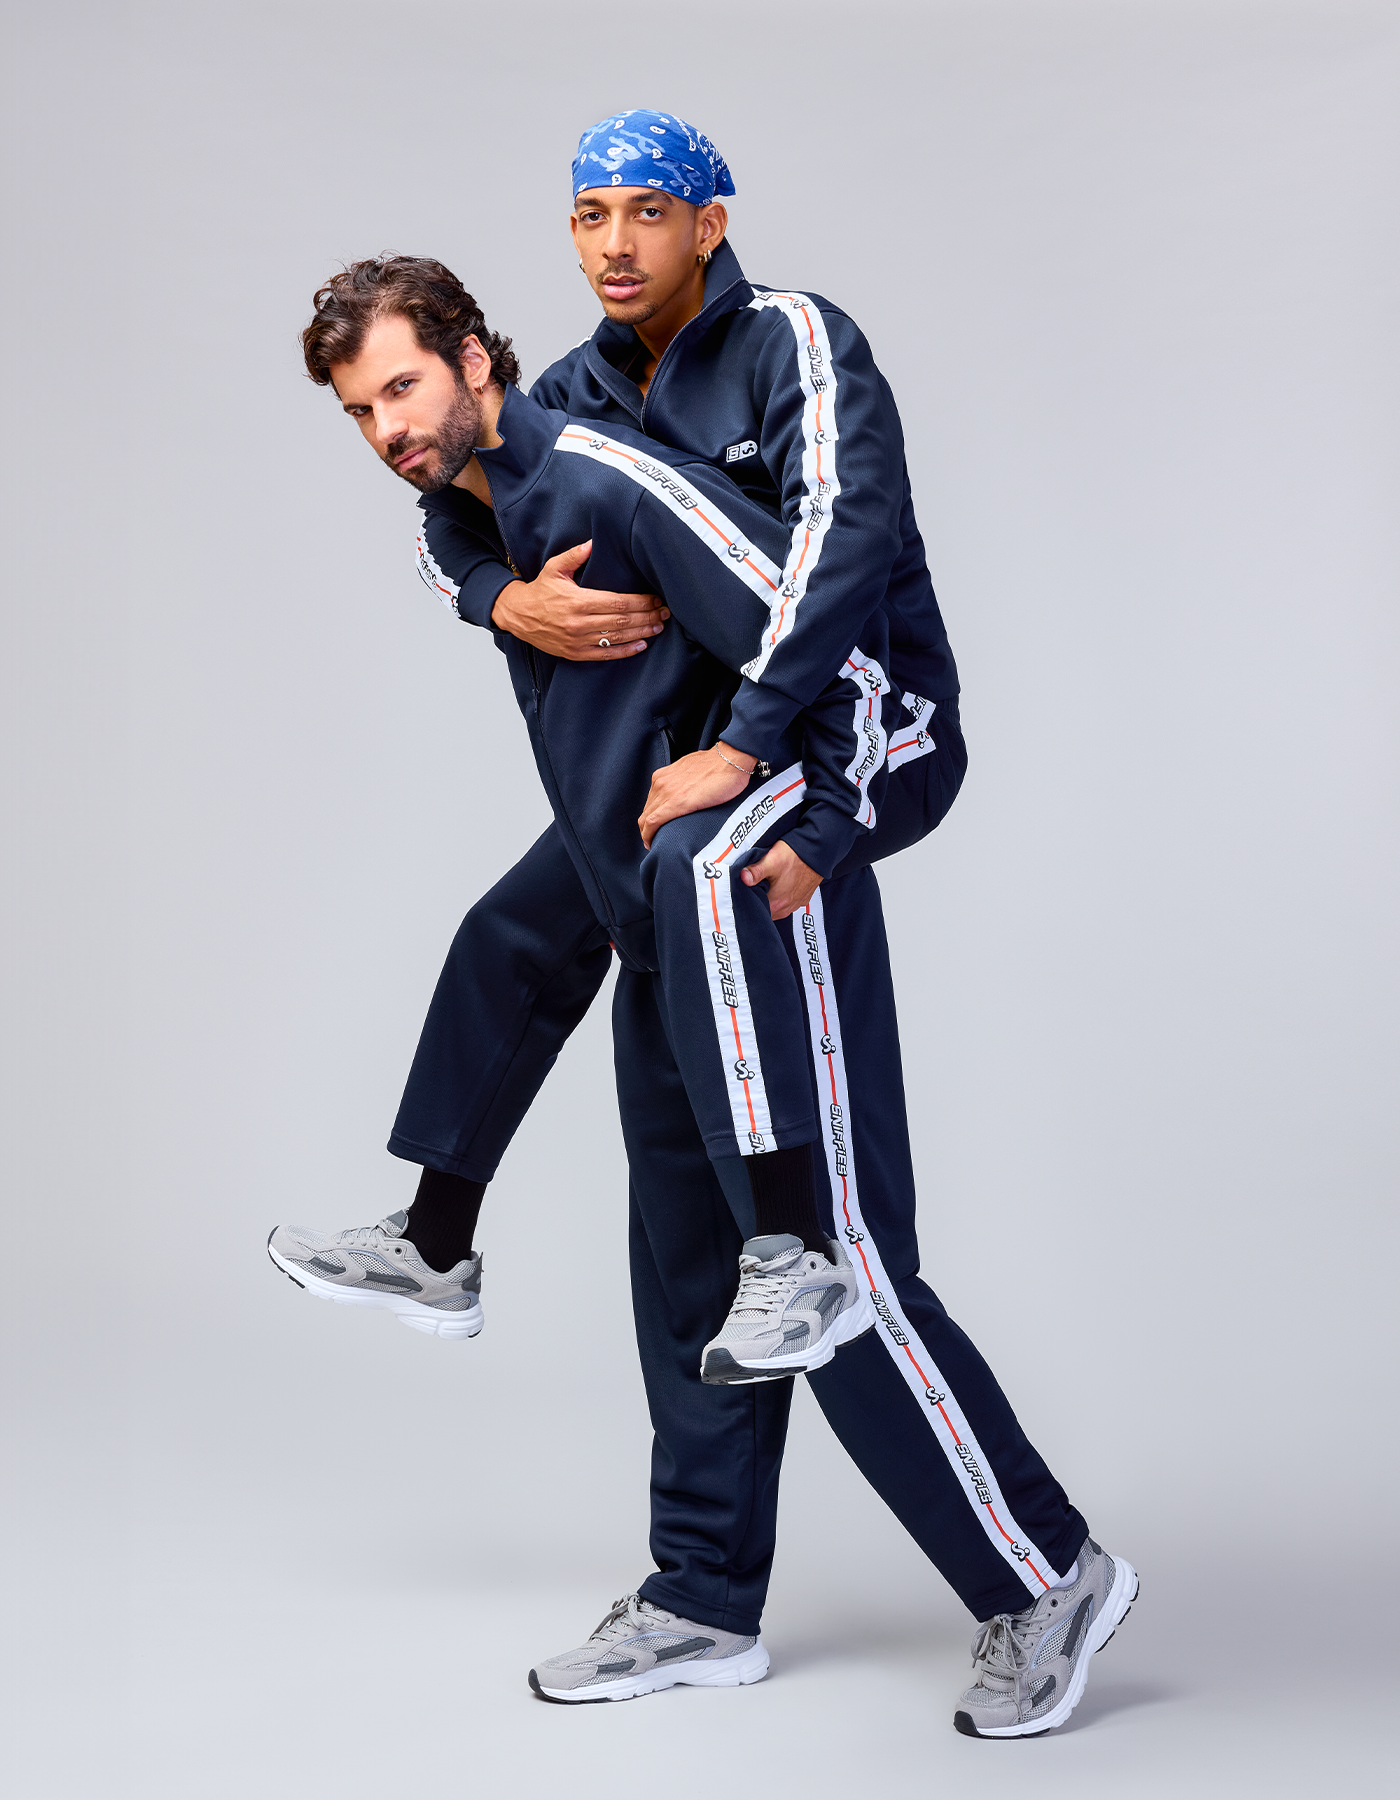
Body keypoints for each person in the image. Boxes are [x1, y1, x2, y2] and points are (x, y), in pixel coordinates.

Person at [274, 149, 1137, 1732]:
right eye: (359, 411)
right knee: (687, 1265)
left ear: (472, 362)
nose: (387, 429)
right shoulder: (511, 477)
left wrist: (821, 808)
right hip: (657, 894)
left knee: (827, 1269)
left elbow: (847, 629)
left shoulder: (663, 438)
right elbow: (447, 536)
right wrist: (498, 600)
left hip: (772, 851)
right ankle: (700, 1595)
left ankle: (1045, 1573)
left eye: (402, 389)